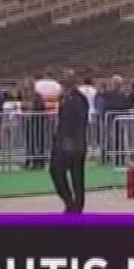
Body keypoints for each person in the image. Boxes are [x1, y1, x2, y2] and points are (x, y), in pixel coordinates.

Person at [50, 73, 90, 213]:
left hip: (73, 143)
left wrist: (75, 142)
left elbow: (80, 122)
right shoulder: (64, 98)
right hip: (63, 142)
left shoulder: (79, 99)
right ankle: (70, 203)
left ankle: (76, 206)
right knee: (58, 172)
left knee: (75, 176)